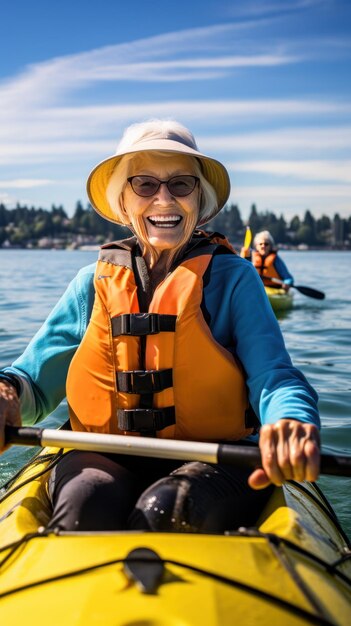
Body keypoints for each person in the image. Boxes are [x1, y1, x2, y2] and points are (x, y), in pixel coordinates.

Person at [0, 119, 320, 533]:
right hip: (106, 451)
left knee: (165, 508)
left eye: (181, 184)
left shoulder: (235, 279)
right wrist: (6, 392)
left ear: (199, 199)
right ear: (123, 203)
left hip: (216, 455)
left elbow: (274, 377)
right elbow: (32, 382)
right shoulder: (90, 284)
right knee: (86, 503)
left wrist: (290, 419)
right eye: (145, 185)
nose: (164, 199)